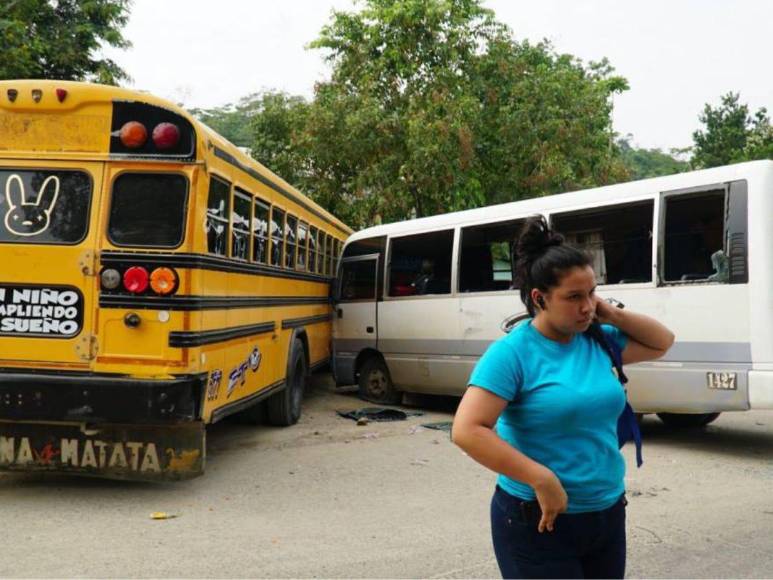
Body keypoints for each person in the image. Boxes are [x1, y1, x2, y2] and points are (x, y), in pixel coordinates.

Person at [452, 215, 675, 579]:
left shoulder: (598, 339)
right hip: (538, 518)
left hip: (606, 512)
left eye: (591, 293)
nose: (586, 306)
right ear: (539, 298)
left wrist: (608, 314)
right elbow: (468, 429)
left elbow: (662, 342)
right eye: (573, 297)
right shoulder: (512, 353)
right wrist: (540, 478)